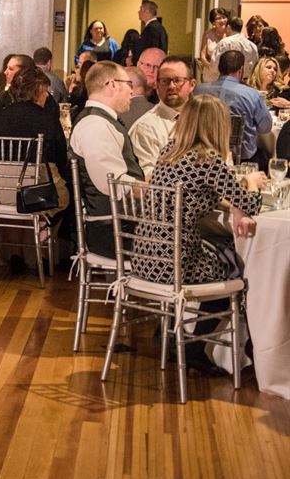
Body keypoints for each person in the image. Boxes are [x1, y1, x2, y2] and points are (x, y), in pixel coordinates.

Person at [135, 94, 265, 373]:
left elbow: (198, 194)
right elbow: (251, 203)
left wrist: (232, 204)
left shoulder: (169, 152)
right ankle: (196, 347)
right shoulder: (207, 159)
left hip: (146, 256)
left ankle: (171, 335)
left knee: (223, 255)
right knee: (237, 273)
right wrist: (251, 183)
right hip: (177, 263)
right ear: (218, 125)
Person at [68, 61, 145, 256]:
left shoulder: (101, 122)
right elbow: (113, 184)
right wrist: (159, 191)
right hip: (115, 232)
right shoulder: (95, 125)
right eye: (129, 84)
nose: (132, 91)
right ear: (112, 85)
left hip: (123, 225)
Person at [0, 67, 70, 214]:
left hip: (1, 190)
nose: (47, 95)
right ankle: (43, 226)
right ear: (37, 91)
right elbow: (60, 157)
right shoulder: (48, 119)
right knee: (66, 195)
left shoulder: (0, 117)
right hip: (38, 194)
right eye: (45, 91)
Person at [194, 49, 273, 165]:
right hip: (241, 161)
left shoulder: (198, 90)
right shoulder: (252, 95)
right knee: (267, 156)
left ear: (219, 68)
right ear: (241, 70)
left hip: (201, 157)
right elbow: (265, 128)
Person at [129, 55, 197, 176]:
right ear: (157, 85)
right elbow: (150, 175)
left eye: (177, 80)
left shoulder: (202, 119)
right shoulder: (146, 127)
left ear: (192, 84)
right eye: (165, 81)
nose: (171, 86)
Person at [200, 8, 231, 82]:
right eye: (218, 18)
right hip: (210, 73)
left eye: (224, 17)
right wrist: (210, 67)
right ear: (213, 22)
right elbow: (202, 55)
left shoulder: (231, 34)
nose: (222, 20)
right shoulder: (207, 34)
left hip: (227, 74)